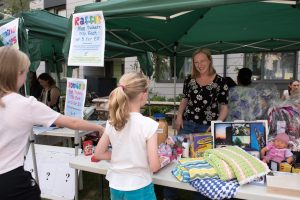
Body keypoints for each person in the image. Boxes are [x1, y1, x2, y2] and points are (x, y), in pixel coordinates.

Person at [0, 46, 104, 200]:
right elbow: (73, 122)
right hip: (10, 179)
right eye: (27, 72)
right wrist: (99, 127)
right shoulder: (25, 104)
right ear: (17, 74)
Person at [94, 72, 160, 200]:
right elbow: (154, 166)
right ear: (143, 95)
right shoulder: (149, 125)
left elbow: (98, 154)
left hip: (116, 185)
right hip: (140, 187)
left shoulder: (112, 122)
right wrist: (158, 160)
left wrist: (122, 155)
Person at [176, 48, 229, 134]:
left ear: (209, 61)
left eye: (202, 61)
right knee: (182, 147)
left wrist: (217, 123)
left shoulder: (221, 81)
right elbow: (185, 99)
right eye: (196, 62)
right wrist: (179, 116)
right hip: (187, 124)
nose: (199, 65)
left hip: (207, 127)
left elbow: (224, 107)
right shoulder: (189, 79)